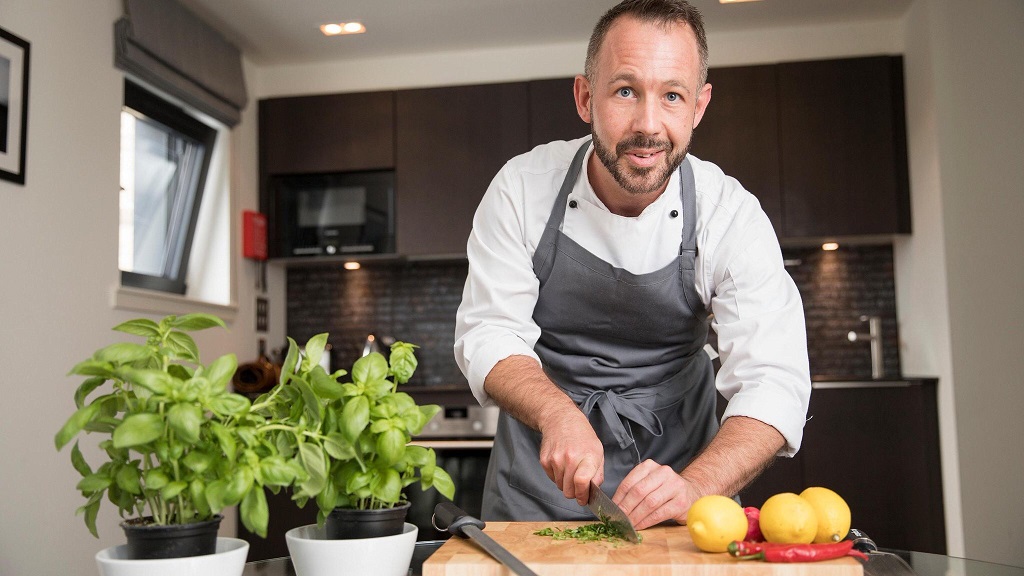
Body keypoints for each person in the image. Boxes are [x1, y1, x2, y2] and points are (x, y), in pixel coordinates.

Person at [454, 0, 811, 530]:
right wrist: (557, 414)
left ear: (699, 106)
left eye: (672, 95)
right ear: (584, 97)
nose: (649, 125)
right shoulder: (522, 188)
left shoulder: (729, 214)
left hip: (684, 494)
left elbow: (774, 379)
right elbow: (489, 332)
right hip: (537, 492)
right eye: (625, 91)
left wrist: (698, 486)